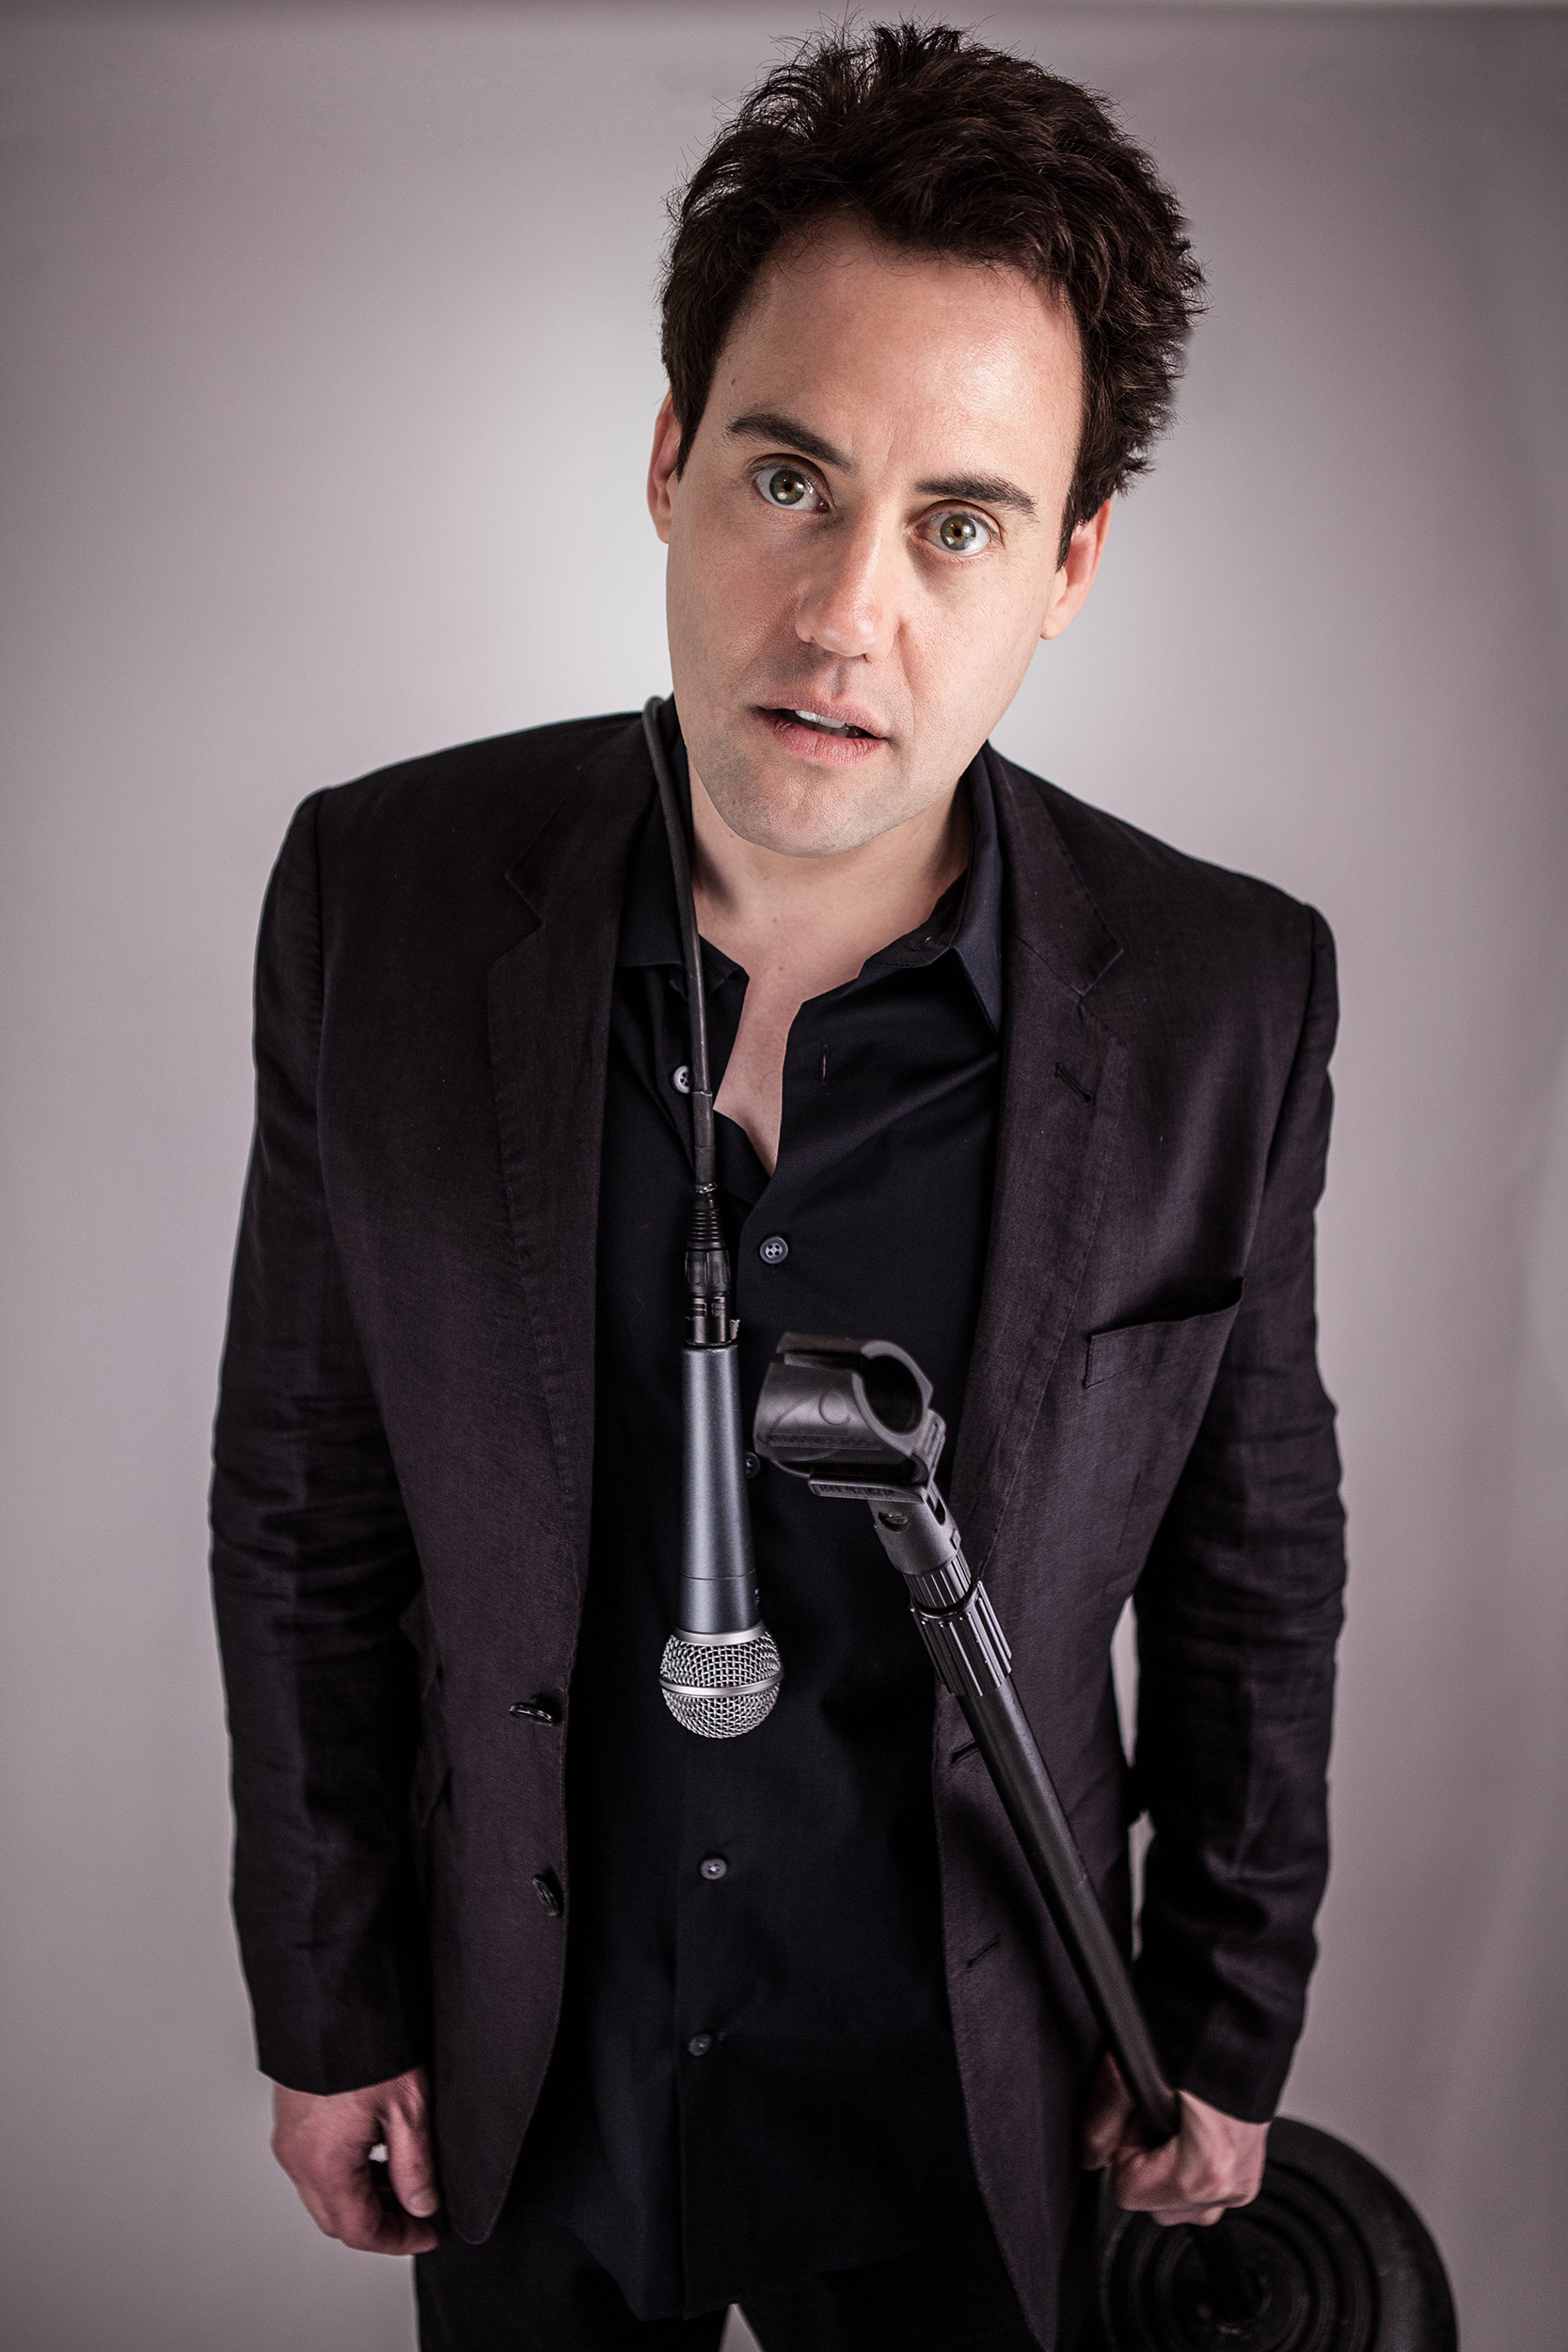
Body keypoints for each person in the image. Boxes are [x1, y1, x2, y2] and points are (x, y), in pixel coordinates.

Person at [211, 23, 1346, 2351]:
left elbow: (1255, 1561)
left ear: (1070, 564)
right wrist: (329, 1997)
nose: (846, 615)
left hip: (980, 2093)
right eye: (791, 478)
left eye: (961, 522)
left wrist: (1223, 2018)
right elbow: (305, 1496)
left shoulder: (1230, 993)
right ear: (669, 461)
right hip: (531, 2069)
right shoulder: (375, 897)